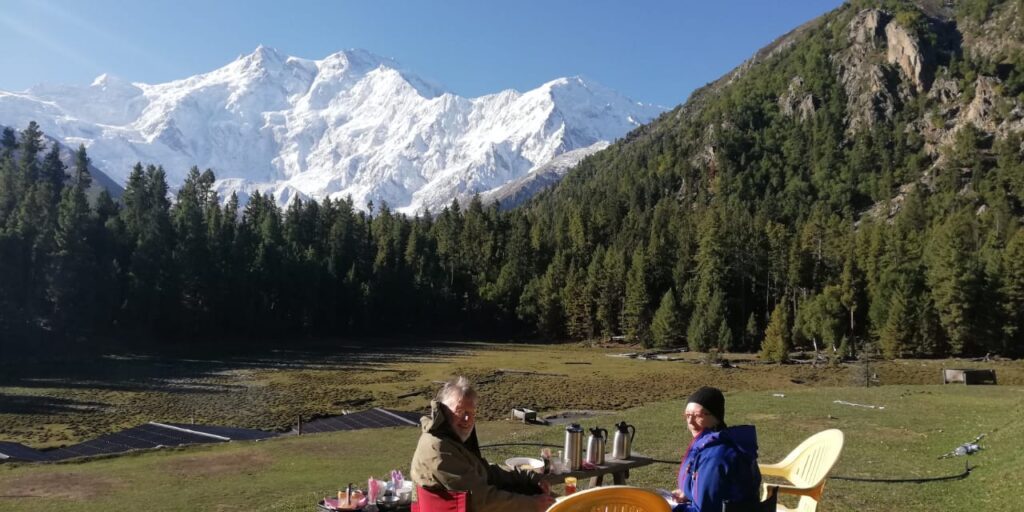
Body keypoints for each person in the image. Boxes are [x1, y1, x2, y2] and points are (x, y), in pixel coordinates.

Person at [411, 376, 555, 512]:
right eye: (460, 411)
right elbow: (481, 499)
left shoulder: (450, 438)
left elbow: (486, 471)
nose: (467, 419)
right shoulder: (438, 447)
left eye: (472, 413)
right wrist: (533, 504)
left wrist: (529, 477)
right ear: (443, 411)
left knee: (531, 490)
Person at [671, 386, 761, 512]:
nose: (690, 421)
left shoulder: (717, 455)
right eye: (687, 415)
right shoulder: (718, 444)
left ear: (716, 417)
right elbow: (719, 494)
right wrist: (689, 493)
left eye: (698, 415)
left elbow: (706, 509)